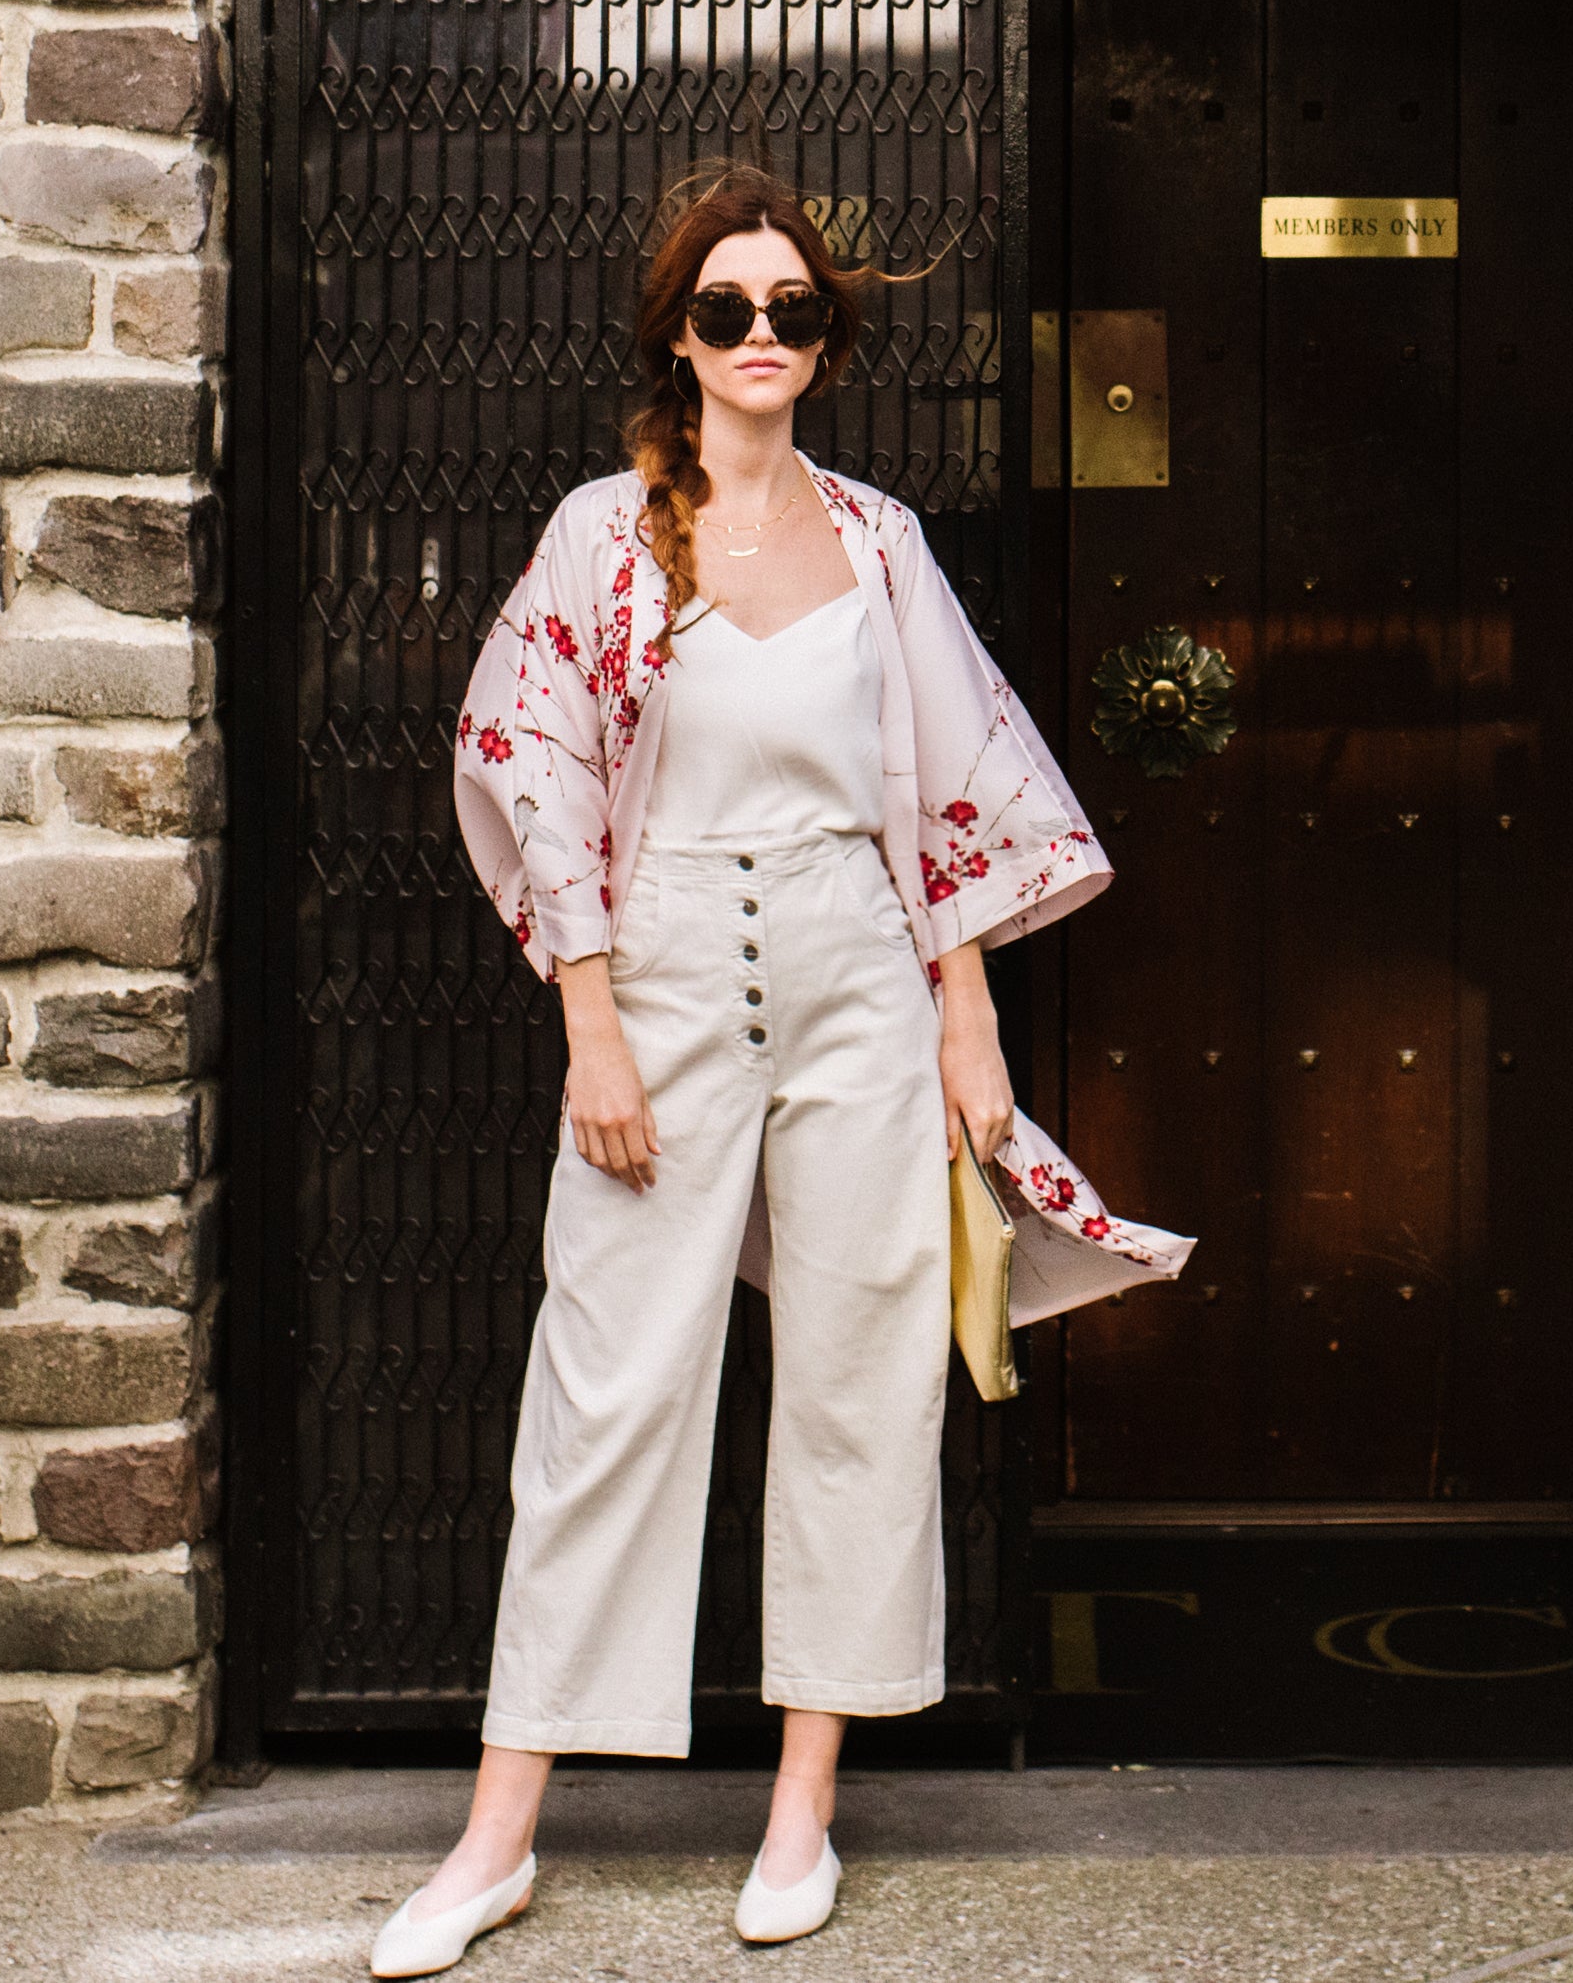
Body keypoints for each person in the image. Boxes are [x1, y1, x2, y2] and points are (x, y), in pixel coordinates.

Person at [380, 165, 1108, 1973]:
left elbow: (943, 786)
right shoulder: (602, 538)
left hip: (863, 970)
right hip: (670, 961)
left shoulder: (879, 542)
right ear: (677, 337)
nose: (763, 335)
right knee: (609, 1381)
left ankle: (802, 1812)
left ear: (827, 343)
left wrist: (970, 1016)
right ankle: (497, 1837)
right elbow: (534, 776)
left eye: (795, 311)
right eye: (729, 309)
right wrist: (594, 1021)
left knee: (864, 1374)